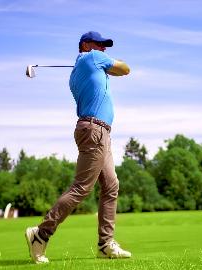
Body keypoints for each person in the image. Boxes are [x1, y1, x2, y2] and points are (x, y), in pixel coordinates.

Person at [25, 31, 131, 264]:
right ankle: (40, 234)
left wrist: (104, 67)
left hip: (99, 132)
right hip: (94, 131)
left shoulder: (81, 67)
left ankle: (106, 244)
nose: (103, 49)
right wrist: (106, 64)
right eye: (99, 45)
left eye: (105, 46)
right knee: (81, 188)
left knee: (111, 185)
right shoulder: (92, 58)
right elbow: (125, 69)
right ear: (85, 45)